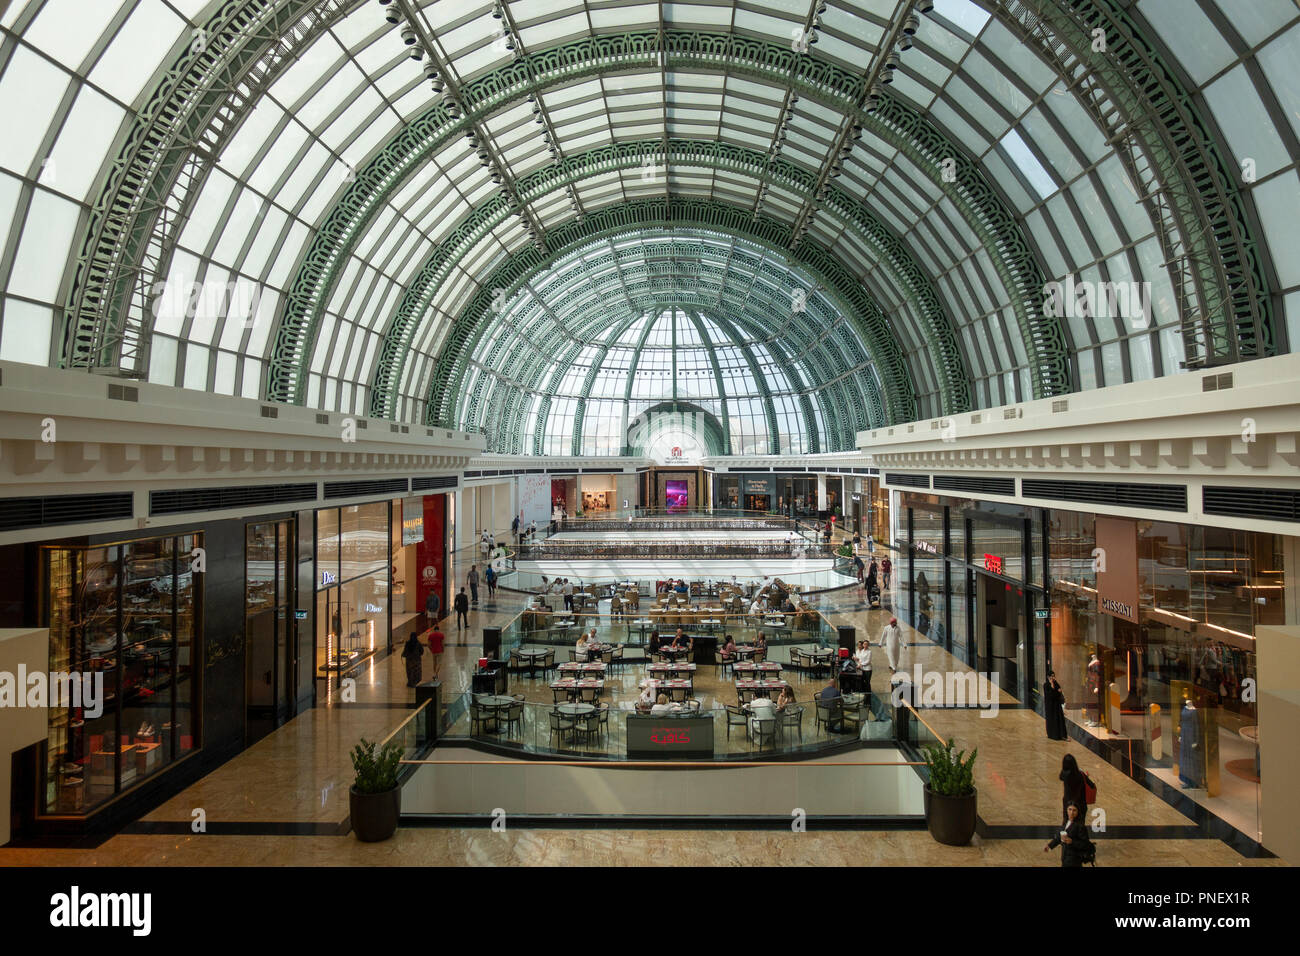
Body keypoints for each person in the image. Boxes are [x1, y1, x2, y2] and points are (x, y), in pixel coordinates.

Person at [1044, 802, 1093, 867]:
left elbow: (1085, 844)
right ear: (1066, 810)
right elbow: (1059, 837)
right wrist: (1049, 846)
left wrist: (1072, 842)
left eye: (1074, 810)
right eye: (1070, 809)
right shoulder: (1065, 823)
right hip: (1065, 858)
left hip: (1075, 860)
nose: (1071, 812)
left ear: (1078, 812)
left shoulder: (1080, 826)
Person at [1059, 754, 1089, 827]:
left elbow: (1060, 777)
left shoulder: (1065, 774)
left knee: (1067, 822)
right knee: (1079, 824)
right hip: (1080, 802)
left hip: (1068, 801)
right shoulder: (1080, 775)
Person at [1044, 669, 1069, 740]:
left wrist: (1055, 692)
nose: (1053, 678)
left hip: (1057, 706)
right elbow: (1050, 695)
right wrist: (1054, 690)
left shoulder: (1056, 683)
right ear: (1048, 677)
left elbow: (1059, 693)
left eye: (1053, 676)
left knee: (1059, 720)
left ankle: (1062, 735)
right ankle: (1052, 734)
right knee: (1051, 720)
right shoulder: (1046, 685)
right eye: (1051, 676)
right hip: (1050, 706)